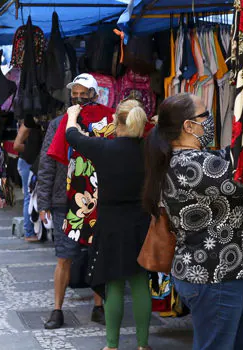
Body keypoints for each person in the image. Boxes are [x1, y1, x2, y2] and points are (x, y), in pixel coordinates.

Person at [142, 93, 243, 350]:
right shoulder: (194, 164)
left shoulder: (181, 159)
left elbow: (226, 159)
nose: (210, 120)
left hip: (214, 274)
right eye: (204, 115)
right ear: (188, 125)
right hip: (214, 275)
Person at [65, 99, 152, 350]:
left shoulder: (104, 148)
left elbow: (72, 136)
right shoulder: (150, 149)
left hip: (110, 224)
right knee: (139, 282)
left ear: (116, 122)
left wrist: (72, 114)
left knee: (113, 282)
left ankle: (112, 345)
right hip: (141, 223)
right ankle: (143, 345)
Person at [38, 114, 103, 329]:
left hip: (95, 199)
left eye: (85, 92)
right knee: (64, 255)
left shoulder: (103, 119)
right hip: (63, 201)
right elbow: (47, 161)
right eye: (76, 91)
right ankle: (57, 309)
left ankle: (99, 306)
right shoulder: (58, 123)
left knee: (97, 253)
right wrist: (43, 202)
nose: (80, 96)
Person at [13, 122, 38, 242]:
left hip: (29, 162)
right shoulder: (27, 125)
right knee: (29, 196)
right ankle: (29, 232)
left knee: (31, 196)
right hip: (27, 163)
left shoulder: (32, 125)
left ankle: (32, 230)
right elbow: (16, 145)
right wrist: (33, 149)